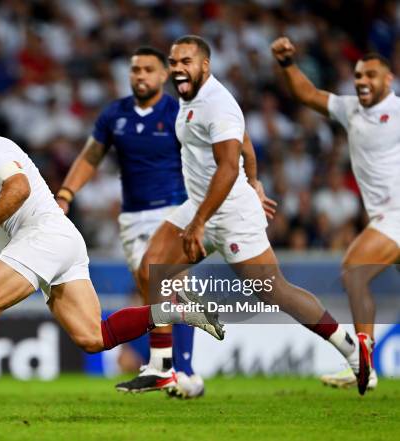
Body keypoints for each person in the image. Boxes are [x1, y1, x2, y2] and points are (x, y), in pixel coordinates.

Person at [0, 94, 222, 418]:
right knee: (93, 338)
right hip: (56, 240)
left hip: (45, 232)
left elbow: (19, 189)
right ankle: (178, 312)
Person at [136, 35, 367, 395]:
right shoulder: (189, 96)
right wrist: (256, 181)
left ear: (205, 66)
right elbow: (244, 145)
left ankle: (351, 350)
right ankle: (164, 366)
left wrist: (206, 218)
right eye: (174, 61)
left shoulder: (217, 103)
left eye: (187, 62)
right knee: (152, 267)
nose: (178, 68)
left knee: (275, 292)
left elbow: (228, 168)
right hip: (200, 204)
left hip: (229, 214)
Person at [58, 46, 274, 397]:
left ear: (162, 76)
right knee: (152, 294)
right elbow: (91, 156)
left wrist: (251, 188)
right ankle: (180, 366)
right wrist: (66, 193)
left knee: (167, 284)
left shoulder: (180, 111)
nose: (140, 75)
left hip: (174, 209)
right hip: (131, 217)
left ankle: (180, 371)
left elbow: (236, 147)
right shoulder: (115, 115)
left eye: (148, 69)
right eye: (135, 69)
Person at [271, 36, 400, 392]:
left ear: (387, 80)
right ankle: (366, 364)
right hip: (384, 220)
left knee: (354, 270)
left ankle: (364, 364)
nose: (362, 81)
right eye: (359, 75)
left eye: (371, 75)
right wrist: (287, 64)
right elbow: (307, 94)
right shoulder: (350, 108)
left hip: (397, 215)